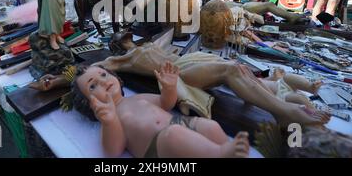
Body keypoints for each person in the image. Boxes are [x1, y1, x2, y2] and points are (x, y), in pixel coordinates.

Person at [32, 31, 330, 126]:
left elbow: (169, 38)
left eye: (125, 36)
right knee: (229, 71)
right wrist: (56, 81)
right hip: (179, 73)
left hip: (185, 60)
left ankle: (282, 97)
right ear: (115, 43)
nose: (125, 38)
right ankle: (284, 113)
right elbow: (84, 74)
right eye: (120, 37)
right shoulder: (119, 60)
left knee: (235, 68)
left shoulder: (146, 46)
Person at [71, 63, 250, 158]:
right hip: (159, 147)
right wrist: (109, 121)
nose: (103, 81)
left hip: (179, 124)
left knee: (210, 126)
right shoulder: (110, 120)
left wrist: (170, 88)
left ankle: (225, 150)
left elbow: (165, 104)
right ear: (89, 104)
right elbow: (112, 151)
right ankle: (219, 154)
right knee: (174, 135)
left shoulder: (137, 97)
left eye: (103, 74)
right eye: (93, 85)